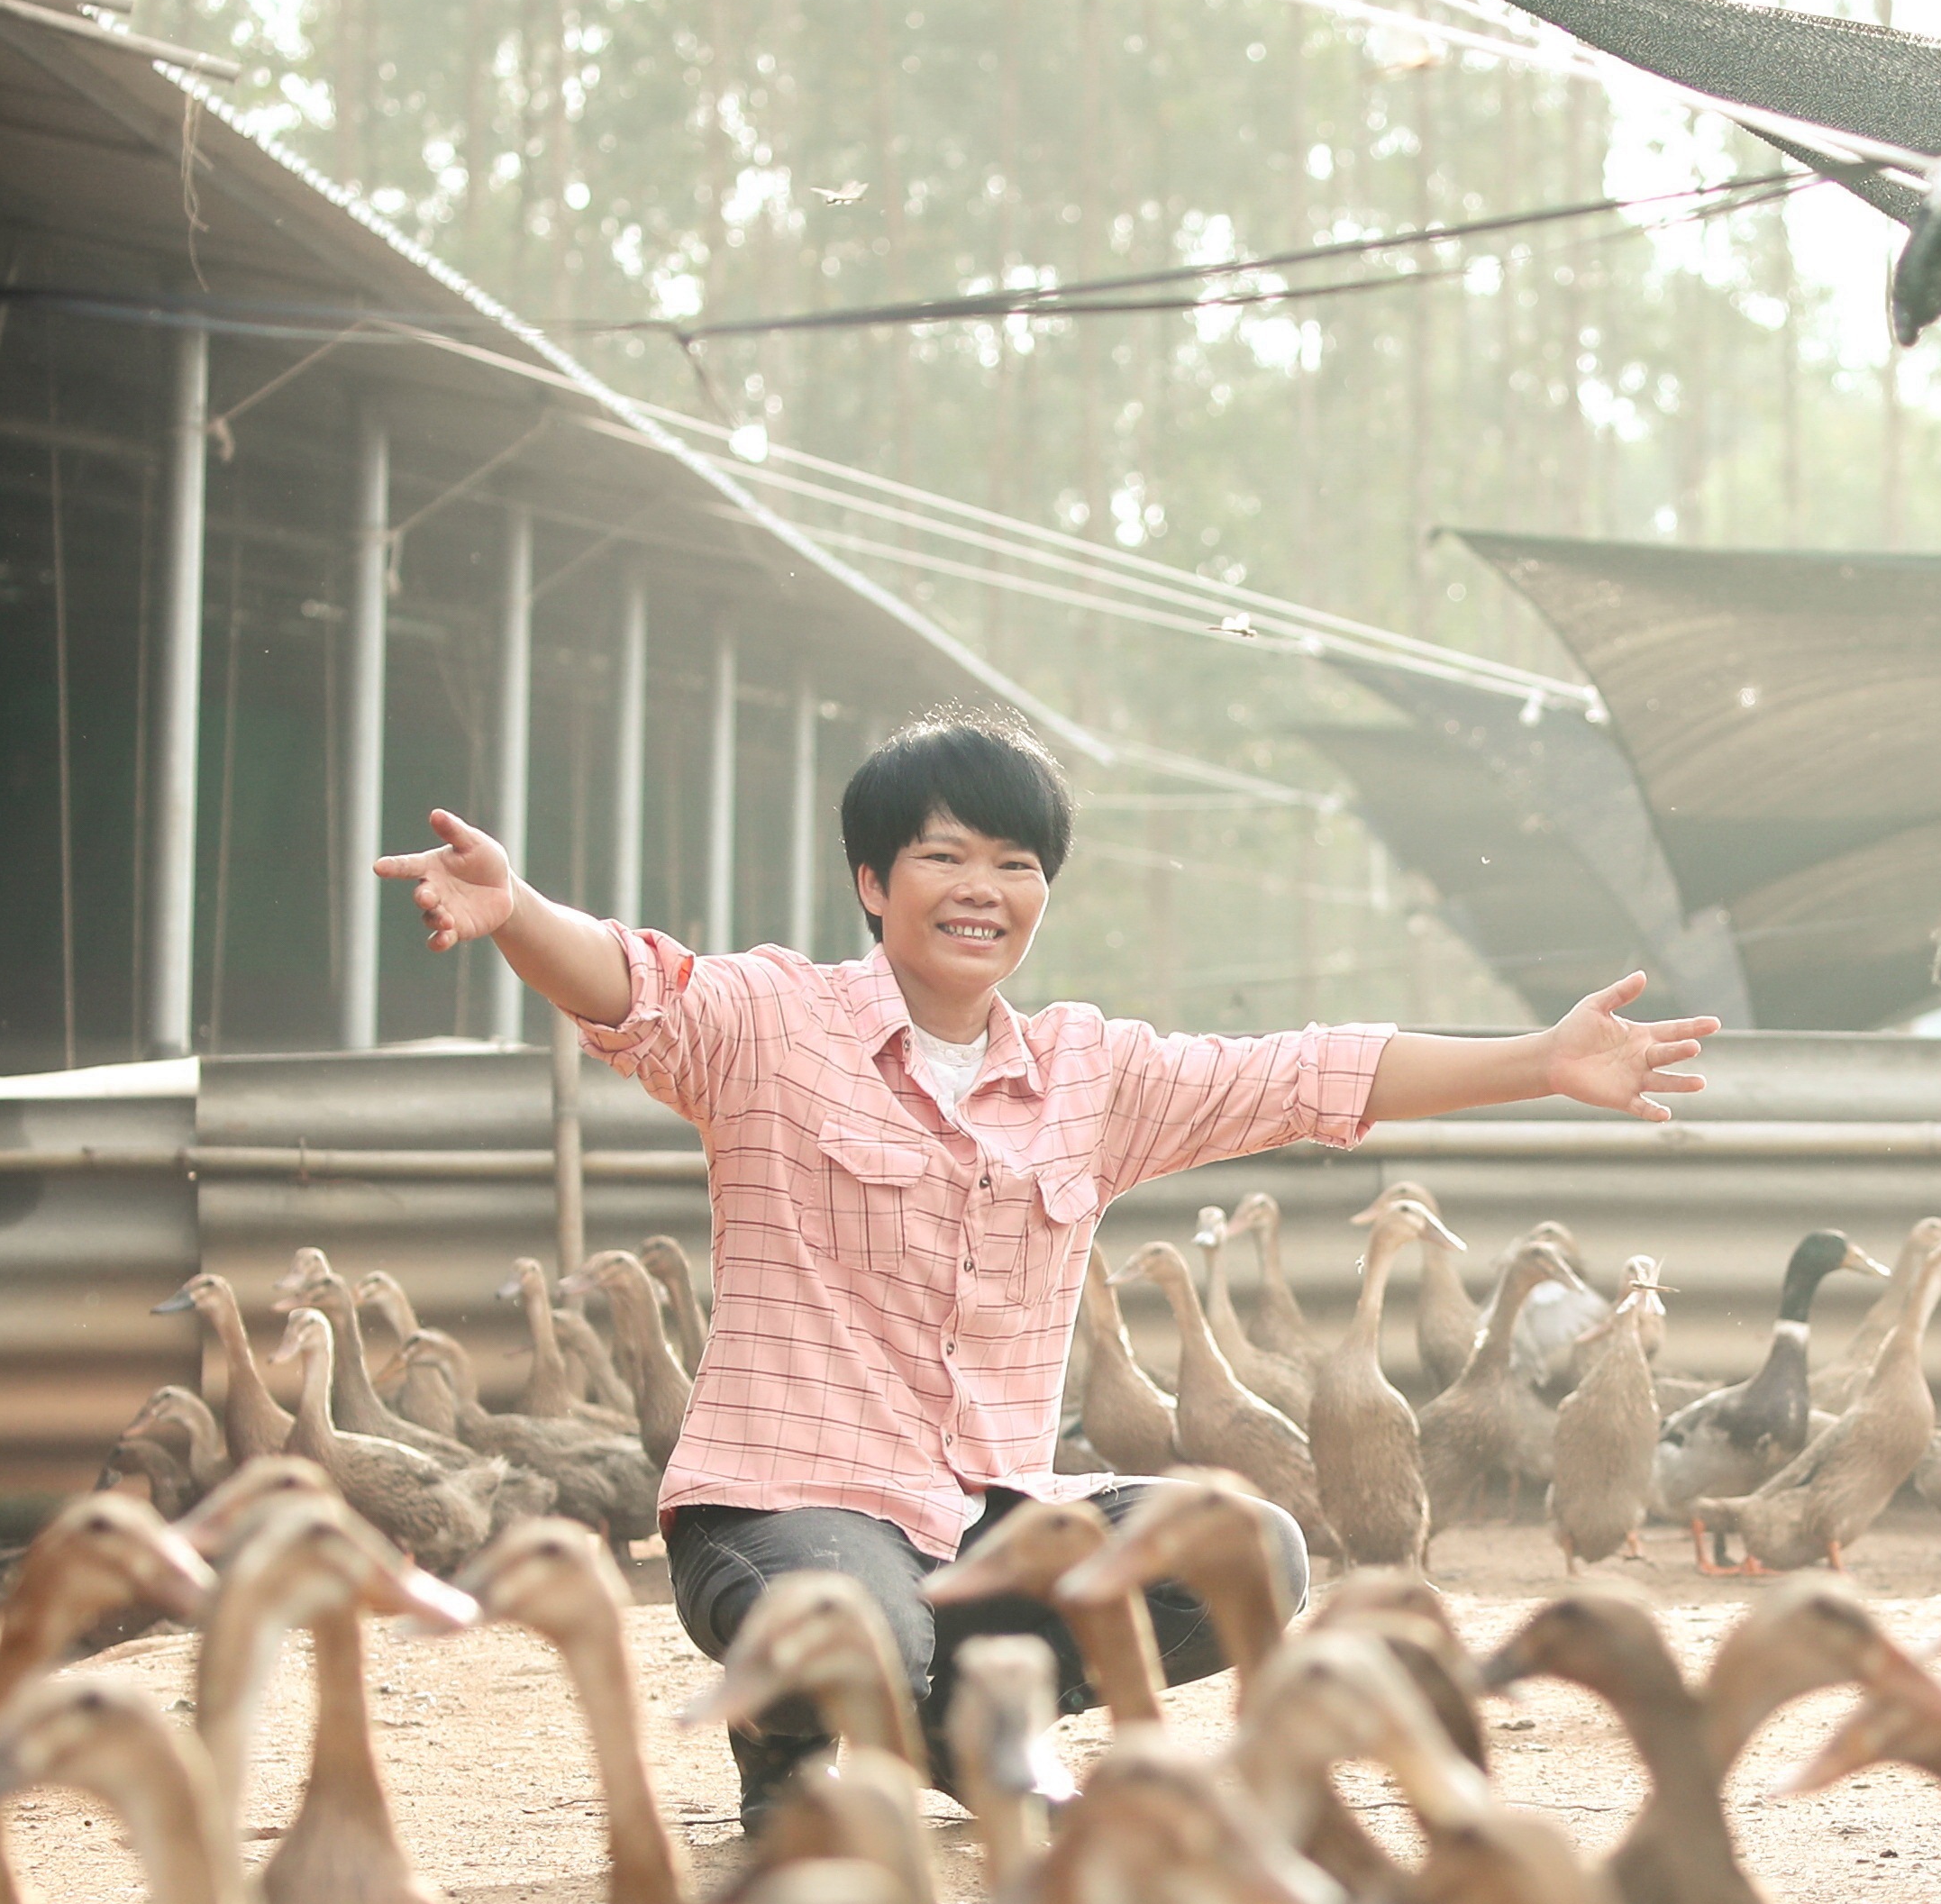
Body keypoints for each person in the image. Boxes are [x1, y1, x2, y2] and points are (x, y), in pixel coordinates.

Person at [379, 706, 1719, 1823]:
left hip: (985, 1515)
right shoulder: (775, 1023)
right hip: (788, 1504)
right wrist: (515, 914)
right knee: (855, 1623)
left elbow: (1314, 1073)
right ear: (872, 881)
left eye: (1015, 863)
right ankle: (789, 1761)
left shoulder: (1091, 1073)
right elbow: (633, 985)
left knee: (1245, 1550)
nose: (983, 891)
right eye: (946, 857)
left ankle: (962, 1729)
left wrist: (1537, 1064)